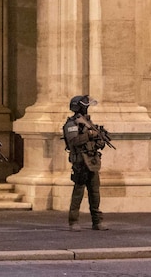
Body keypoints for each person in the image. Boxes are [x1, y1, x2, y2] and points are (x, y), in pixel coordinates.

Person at [63, 95, 109, 231]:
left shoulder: (88, 123)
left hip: (92, 161)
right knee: (78, 192)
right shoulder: (72, 124)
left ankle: (97, 221)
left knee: (94, 192)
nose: (87, 108)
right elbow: (73, 141)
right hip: (80, 162)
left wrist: (100, 139)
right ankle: (73, 221)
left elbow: (97, 141)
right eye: (85, 106)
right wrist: (89, 135)